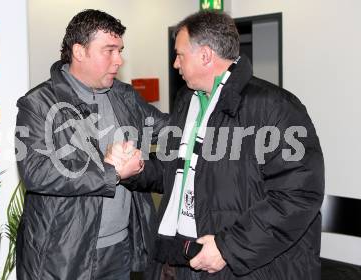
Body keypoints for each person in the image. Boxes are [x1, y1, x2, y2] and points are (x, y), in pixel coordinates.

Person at [137, 11, 324, 280]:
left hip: (243, 267)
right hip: (183, 257)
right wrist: (137, 168)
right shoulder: (187, 102)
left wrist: (228, 248)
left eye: (180, 54)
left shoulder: (274, 107)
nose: (175, 63)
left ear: (204, 55)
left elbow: (298, 195)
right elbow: (173, 168)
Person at [14, 9, 167, 280]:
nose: (119, 60)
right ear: (79, 51)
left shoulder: (124, 96)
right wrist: (111, 173)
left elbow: (169, 129)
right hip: (63, 254)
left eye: (120, 50)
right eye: (109, 50)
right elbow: (37, 172)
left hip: (119, 248)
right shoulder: (38, 103)